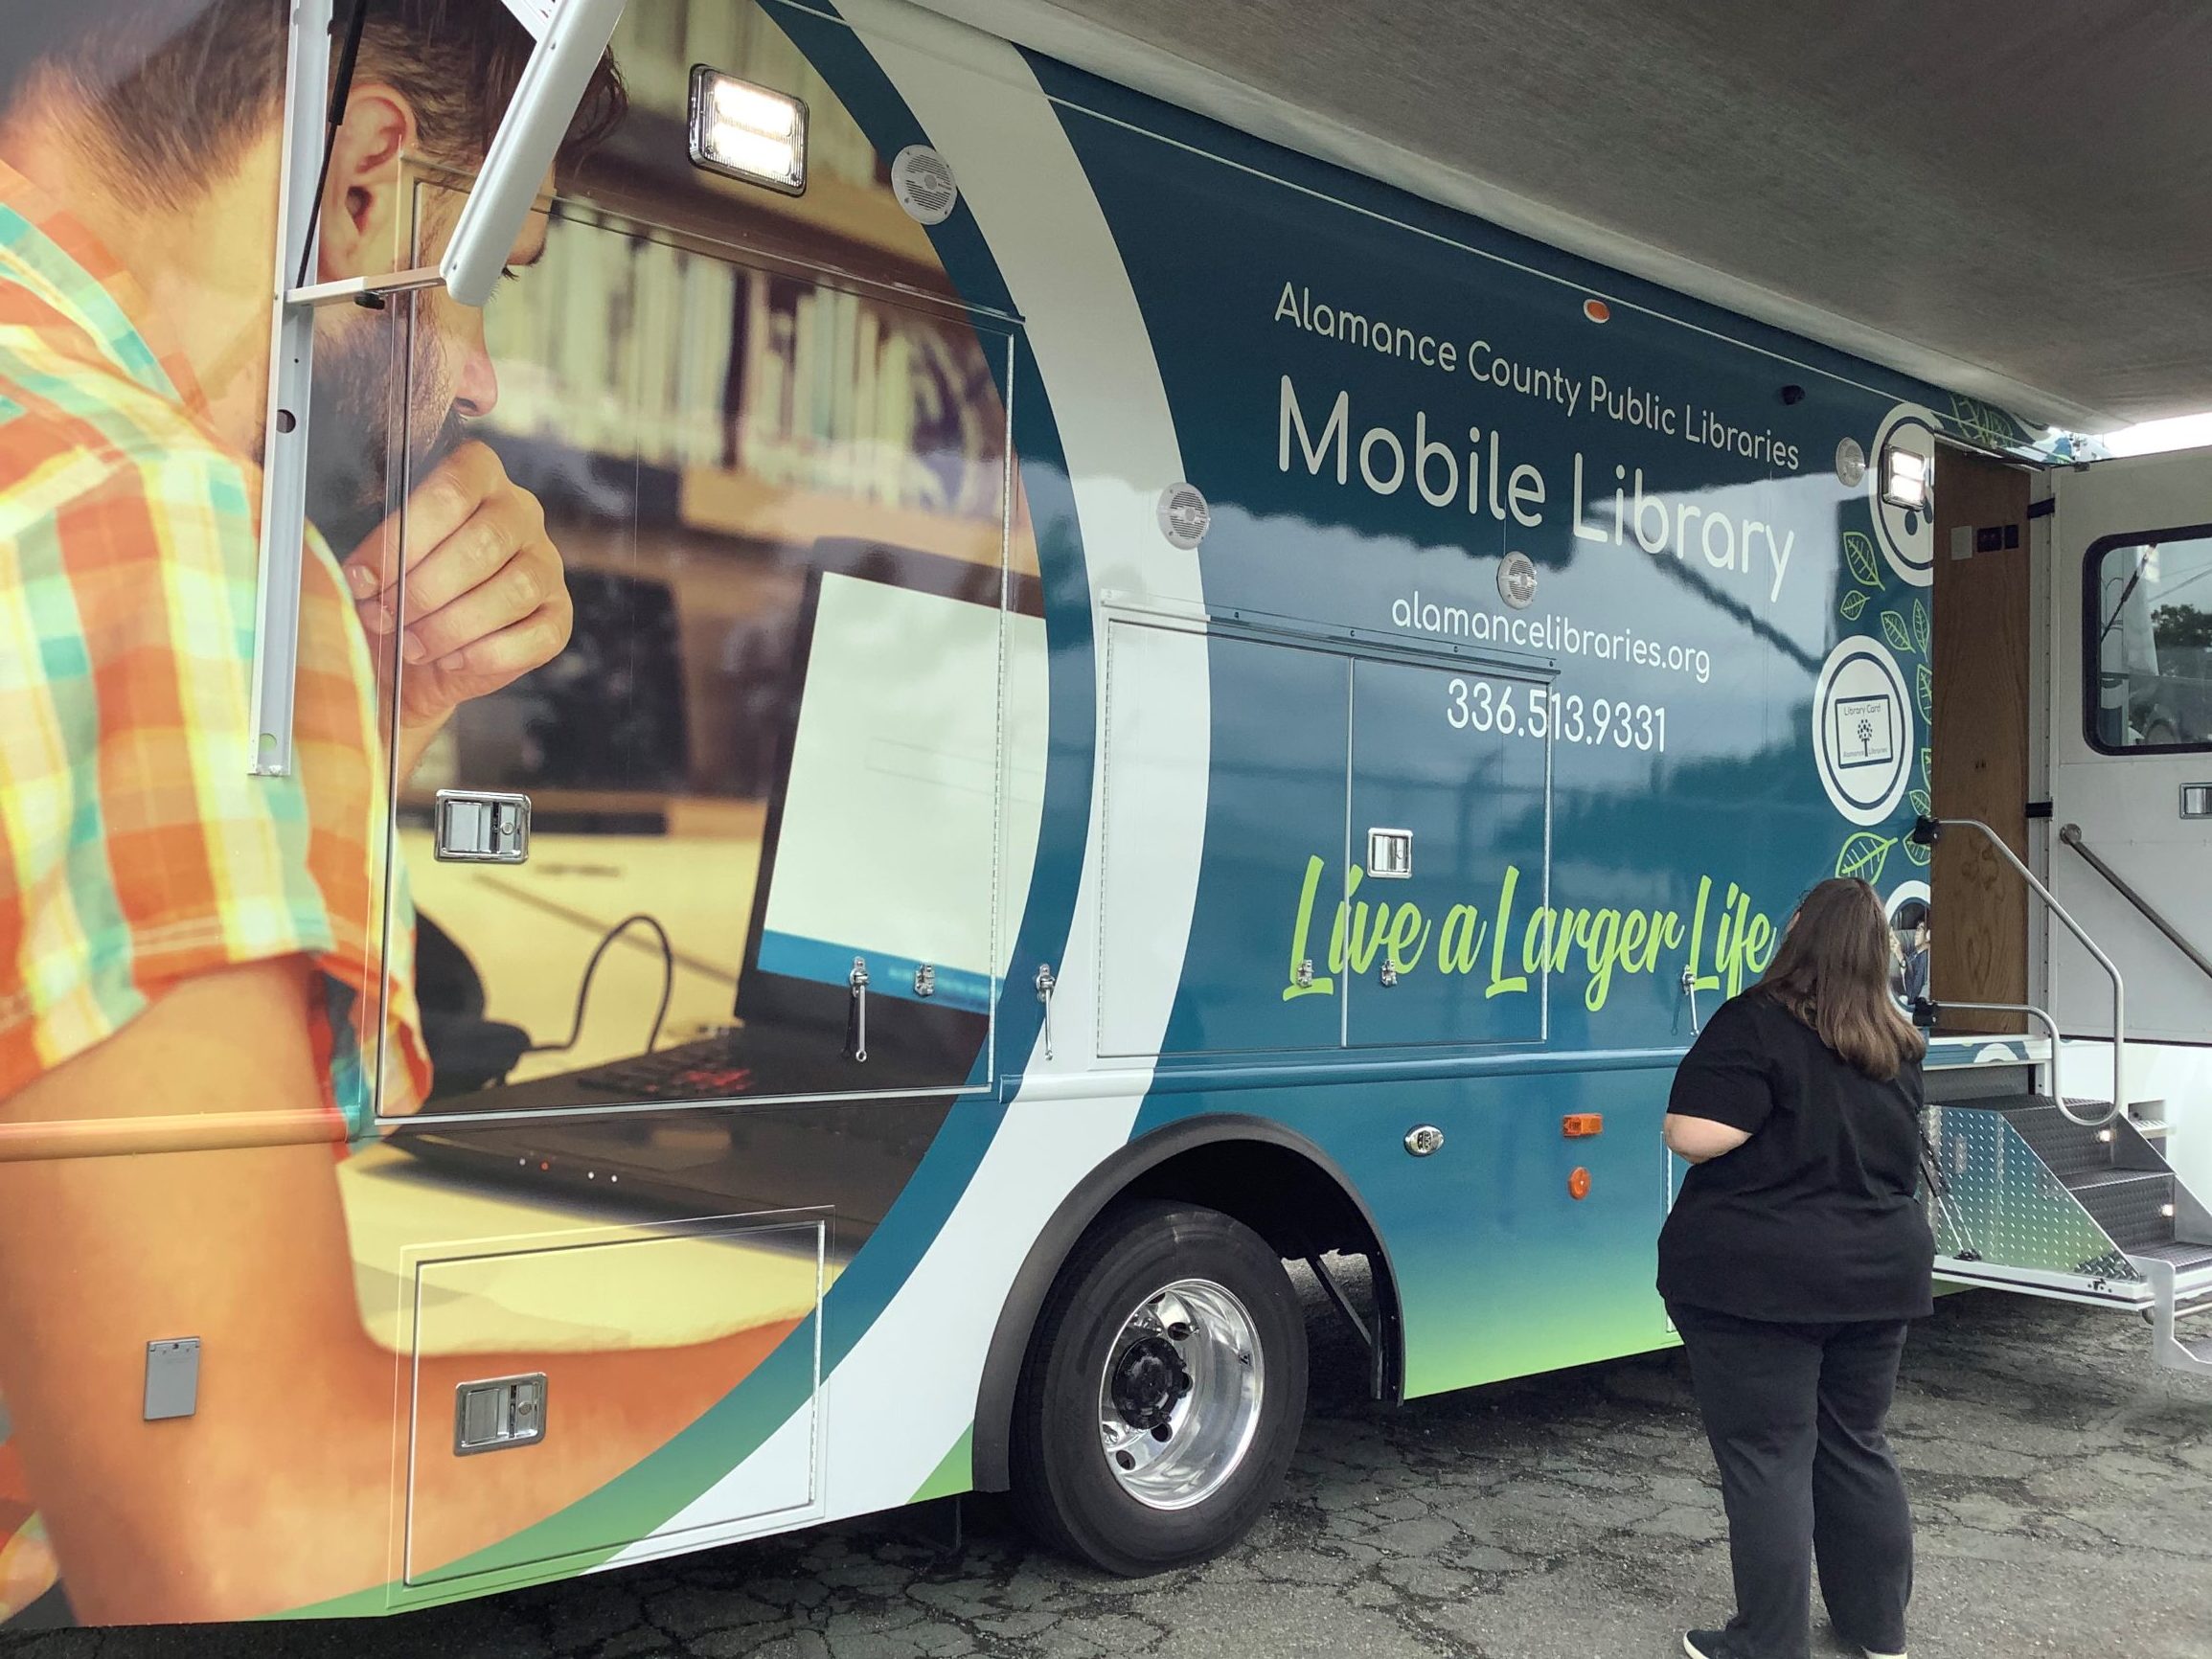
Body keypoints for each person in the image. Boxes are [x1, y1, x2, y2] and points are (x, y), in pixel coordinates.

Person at [0, 1, 787, 1626]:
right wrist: (895, 1351)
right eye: (505, 259)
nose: (484, 374)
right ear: (367, 185)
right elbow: (247, 1512)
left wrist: (354, 697)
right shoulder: (138, 509)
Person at [1658, 877, 1933, 1659]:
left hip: (1760, 1282)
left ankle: (1766, 1641)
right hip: (1878, 1275)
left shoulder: (1754, 1024)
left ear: (1799, 932)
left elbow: (1691, 1135)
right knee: (1855, 1444)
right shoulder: (1898, 1038)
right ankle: (1876, 1630)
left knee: (1768, 1456)